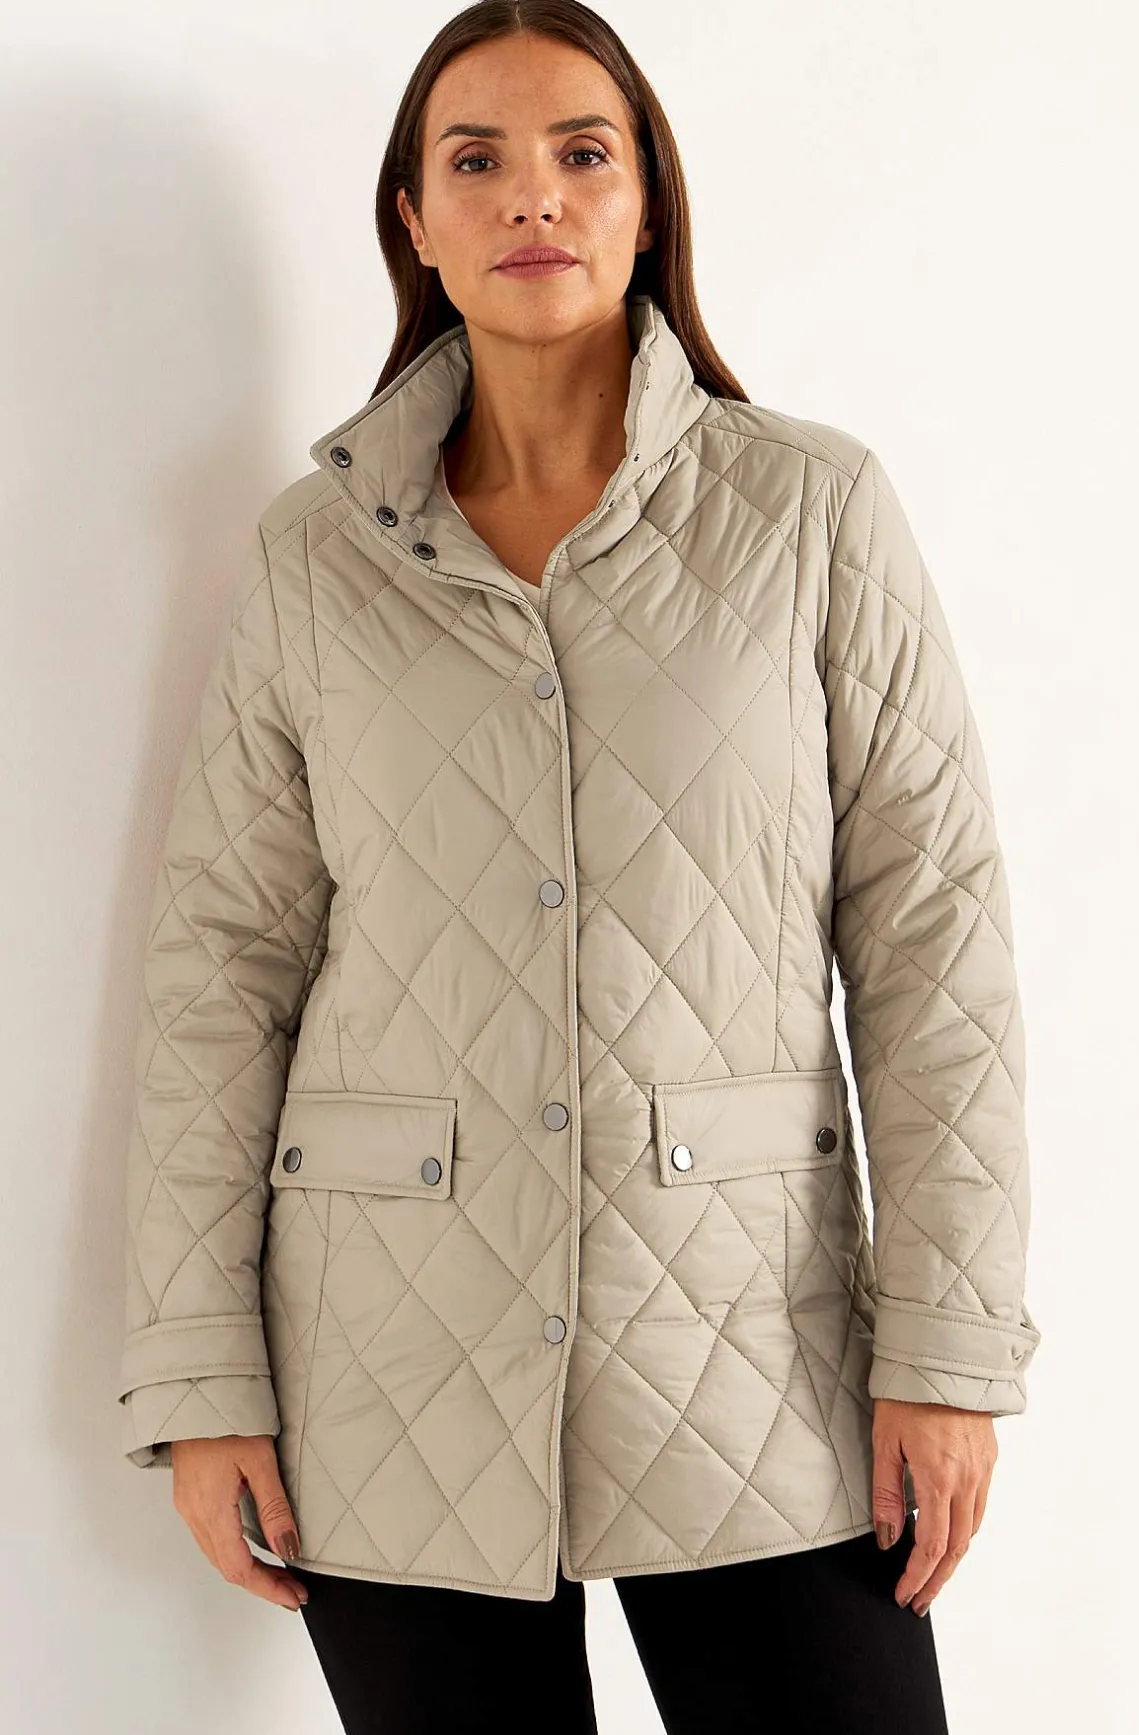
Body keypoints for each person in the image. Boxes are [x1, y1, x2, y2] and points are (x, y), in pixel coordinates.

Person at [115, 3, 1042, 1731]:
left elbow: (932, 944)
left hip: (754, 1348)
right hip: (391, 1360)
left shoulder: (812, 511)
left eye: (581, 153)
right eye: (475, 160)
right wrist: (198, 1374)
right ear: (415, 219)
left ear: (646, 201)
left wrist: (948, 1346)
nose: (531, 195)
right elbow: (223, 965)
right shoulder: (314, 559)